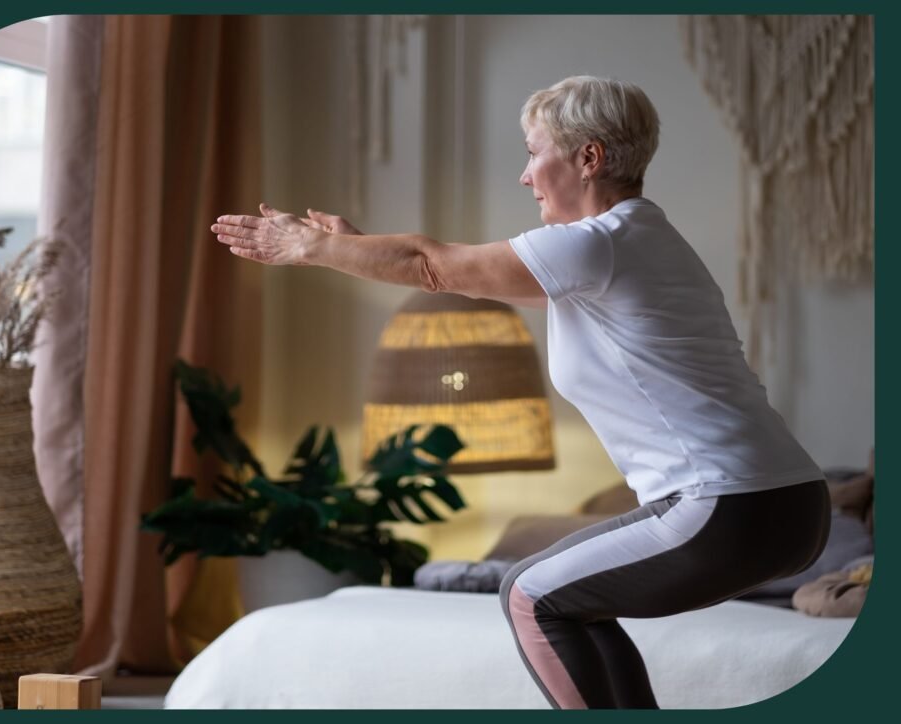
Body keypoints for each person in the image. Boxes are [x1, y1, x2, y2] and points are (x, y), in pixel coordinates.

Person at [210, 75, 830, 709]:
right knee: (568, 604)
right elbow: (454, 280)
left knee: (529, 595)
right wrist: (353, 245)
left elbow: (431, 262)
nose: (525, 176)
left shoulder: (598, 244)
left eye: (535, 153)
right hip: (788, 504)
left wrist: (312, 246)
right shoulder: (636, 243)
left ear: (588, 158)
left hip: (726, 505)